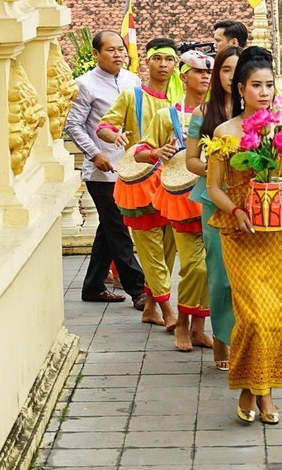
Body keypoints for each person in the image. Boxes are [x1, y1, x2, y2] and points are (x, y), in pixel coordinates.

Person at [205, 46, 282, 425]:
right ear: (240, 89)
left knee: (278, 318)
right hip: (241, 232)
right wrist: (237, 210)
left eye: (269, 85)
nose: (264, 92)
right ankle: (263, 398)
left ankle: (255, 389)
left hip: (279, 233)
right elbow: (214, 187)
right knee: (254, 317)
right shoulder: (224, 133)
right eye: (256, 85)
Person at [97, 38, 183, 329]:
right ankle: (167, 309)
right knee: (150, 249)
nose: (162, 65)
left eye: (168, 59)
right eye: (157, 58)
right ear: (147, 62)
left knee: (170, 246)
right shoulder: (131, 96)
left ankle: (150, 306)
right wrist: (115, 137)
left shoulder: (179, 101)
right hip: (141, 182)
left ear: (176, 64)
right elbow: (105, 126)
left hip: (173, 182)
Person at [64, 30, 146, 309]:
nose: (117, 54)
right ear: (96, 54)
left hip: (131, 165)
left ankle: (93, 286)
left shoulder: (132, 80)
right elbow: (73, 125)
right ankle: (138, 290)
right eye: (110, 50)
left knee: (108, 229)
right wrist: (94, 153)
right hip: (101, 170)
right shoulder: (85, 84)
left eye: (120, 49)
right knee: (118, 226)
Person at [146, 49, 214, 352]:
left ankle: (199, 328)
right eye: (198, 71)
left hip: (214, 197)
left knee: (212, 267)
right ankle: (184, 325)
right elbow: (141, 150)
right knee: (194, 267)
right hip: (181, 198)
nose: (205, 77)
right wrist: (154, 153)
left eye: (208, 72)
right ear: (183, 75)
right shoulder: (166, 116)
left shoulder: (218, 114)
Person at [187, 45, 242, 370]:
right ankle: (221, 340)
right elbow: (192, 161)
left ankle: (245, 341)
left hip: (249, 200)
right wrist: (219, 168)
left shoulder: (257, 113)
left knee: (245, 276)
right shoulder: (203, 113)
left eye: (237, 70)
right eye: (225, 69)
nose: (231, 76)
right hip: (213, 199)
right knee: (220, 275)